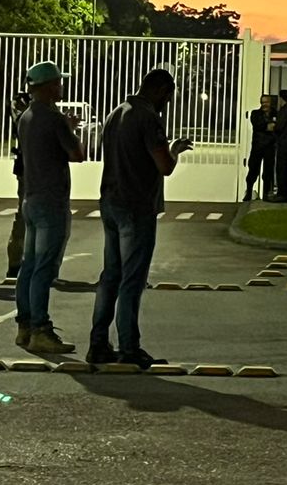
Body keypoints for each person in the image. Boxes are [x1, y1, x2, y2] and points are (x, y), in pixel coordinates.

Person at [88, 69, 195, 368]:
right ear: (161, 90)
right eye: (169, 95)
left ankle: (98, 343)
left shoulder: (116, 113)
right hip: (136, 206)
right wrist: (173, 151)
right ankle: (129, 347)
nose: (169, 102)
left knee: (110, 276)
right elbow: (164, 166)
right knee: (132, 280)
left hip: (110, 200)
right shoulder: (148, 117)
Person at [14, 61, 86, 354]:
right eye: (57, 82)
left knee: (28, 266)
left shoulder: (26, 117)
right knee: (45, 266)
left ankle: (25, 325)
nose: (61, 86)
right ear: (46, 86)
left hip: (30, 197)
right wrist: (70, 128)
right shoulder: (53, 117)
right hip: (51, 200)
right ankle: (41, 330)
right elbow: (77, 154)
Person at [5, 91, 31, 279]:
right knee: (23, 216)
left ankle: (31, 263)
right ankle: (15, 263)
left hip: (40, 169)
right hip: (27, 167)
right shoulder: (21, 102)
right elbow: (22, 123)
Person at [244, 93, 278, 202]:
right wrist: (268, 126)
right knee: (253, 171)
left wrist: (269, 127)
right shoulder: (255, 114)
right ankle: (248, 192)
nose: (264, 104)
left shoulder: (276, 113)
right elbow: (259, 125)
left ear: (270, 102)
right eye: (263, 102)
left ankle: (266, 194)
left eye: (266, 102)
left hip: (270, 147)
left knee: (268, 172)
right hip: (257, 147)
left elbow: (277, 127)